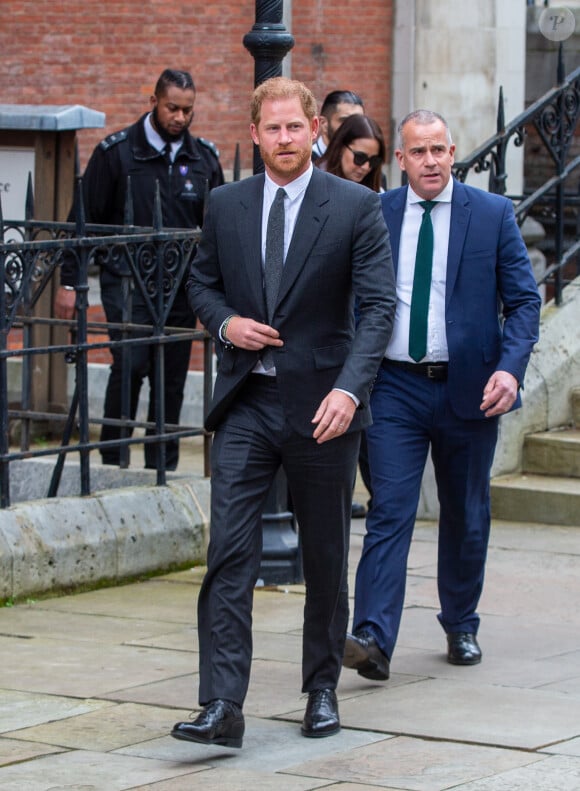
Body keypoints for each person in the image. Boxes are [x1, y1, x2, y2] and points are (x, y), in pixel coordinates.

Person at [170, 76, 396, 749]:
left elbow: (380, 308)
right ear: (256, 132)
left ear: (313, 129)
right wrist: (227, 322)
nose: (285, 139)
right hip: (247, 401)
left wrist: (350, 390)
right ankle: (221, 704)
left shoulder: (354, 206)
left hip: (324, 407)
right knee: (228, 554)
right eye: (272, 129)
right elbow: (201, 282)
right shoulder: (226, 203)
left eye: (295, 127)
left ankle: (321, 687)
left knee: (324, 554)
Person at [343, 109, 541, 682]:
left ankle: (461, 621)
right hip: (395, 388)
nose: (430, 161)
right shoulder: (375, 213)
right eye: (418, 152)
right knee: (390, 511)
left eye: (439, 150)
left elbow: (525, 303)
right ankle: (374, 636)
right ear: (399, 160)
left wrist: (510, 369)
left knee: (466, 513)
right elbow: (352, 297)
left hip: (471, 388)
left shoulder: (492, 215)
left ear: (453, 152)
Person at [54, 68, 224, 470]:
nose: (180, 118)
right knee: (130, 365)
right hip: (126, 279)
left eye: (187, 110)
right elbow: (83, 220)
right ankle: (113, 459)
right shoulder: (116, 153)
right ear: (153, 102)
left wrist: (215, 292)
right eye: (172, 108)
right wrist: (68, 283)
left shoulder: (203, 159)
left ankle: (160, 466)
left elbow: (217, 232)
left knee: (172, 375)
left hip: (182, 286)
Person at [316, 112, 387, 507]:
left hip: (366, 337)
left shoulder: (374, 202)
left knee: (373, 458)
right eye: (359, 157)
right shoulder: (312, 192)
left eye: (373, 162)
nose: (365, 168)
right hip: (323, 339)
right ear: (338, 147)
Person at [311, 89, 364, 160]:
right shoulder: (305, 164)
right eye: (345, 121)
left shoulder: (364, 164)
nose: (353, 127)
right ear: (324, 124)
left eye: (358, 121)